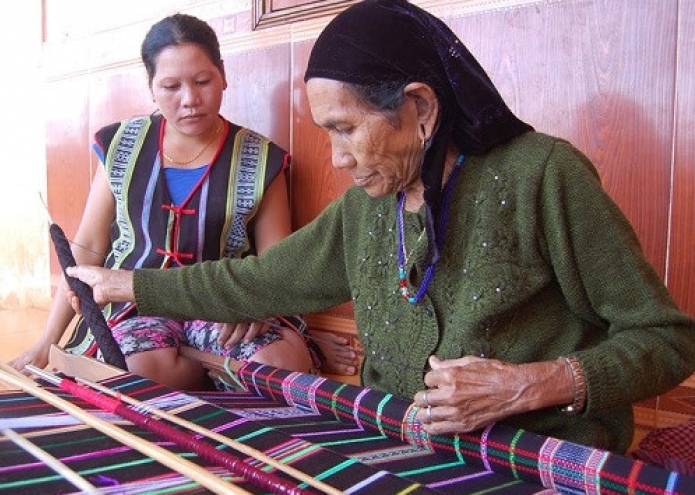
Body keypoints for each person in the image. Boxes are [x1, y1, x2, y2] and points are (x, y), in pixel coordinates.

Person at [64, 0, 695, 453]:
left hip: (532, 456)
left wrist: (529, 385)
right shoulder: (370, 206)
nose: (336, 159)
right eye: (326, 133)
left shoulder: (543, 176)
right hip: (395, 440)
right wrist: (128, 287)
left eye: (346, 128)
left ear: (419, 108)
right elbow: (258, 282)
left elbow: (668, 339)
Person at [3, 13, 357, 390]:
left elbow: (277, 263)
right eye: (171, 86)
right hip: (138, 305)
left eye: (202, 81)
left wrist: (259, 305)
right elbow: (87, 248)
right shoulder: (122, 146)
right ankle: (210, 366)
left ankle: (247, 354)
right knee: (137, 373)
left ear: (223, 74)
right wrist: (47, 341)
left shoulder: (261, 159)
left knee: (279, 366)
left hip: (224, 304)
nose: (190, 100)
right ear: (151, 87)